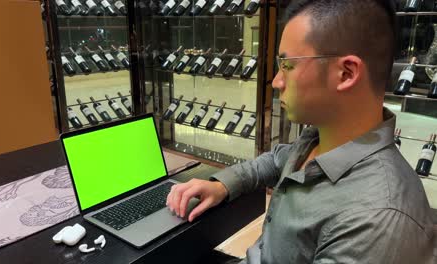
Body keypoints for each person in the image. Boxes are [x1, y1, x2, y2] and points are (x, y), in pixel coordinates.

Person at [167, 0, 435, 263]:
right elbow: (275, 160)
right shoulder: (323, 138)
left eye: (288, 65)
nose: (276, 81)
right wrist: (221, 185)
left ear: (345, 73)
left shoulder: (377, 221)